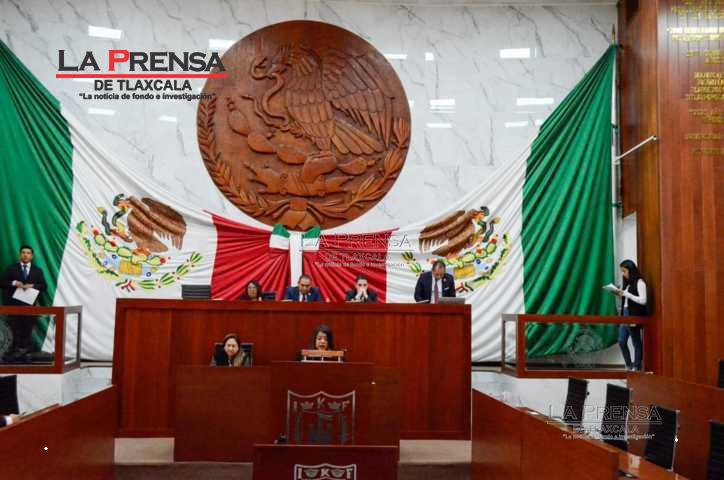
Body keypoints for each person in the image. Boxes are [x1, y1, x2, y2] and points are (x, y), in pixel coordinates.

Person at [1, 246, 47, 360]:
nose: (25, 255)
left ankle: (25, 355)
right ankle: (13, 355)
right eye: (23, 252)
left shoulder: (37, 270)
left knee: (27, 330)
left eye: (28, 253)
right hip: (13, 306)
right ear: (20, 255)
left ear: (32, 256)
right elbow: (2, 283)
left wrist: (32, 285)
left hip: (30, 307)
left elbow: (44, 286)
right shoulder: (11, 268)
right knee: (14, 331)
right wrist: (14, 283)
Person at [616, 260, 647, 371]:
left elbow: (643, 300)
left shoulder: (640, 282)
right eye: (622, 271)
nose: (623, 274)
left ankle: (636, 366)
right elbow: (626, 299)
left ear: (631, 270)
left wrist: (627, 294)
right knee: (621, 340)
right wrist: (620, 294)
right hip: (625, 313)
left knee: (636, 341)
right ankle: (629, 365)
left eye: (624, 271)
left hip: (633, 314)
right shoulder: (627, 283)